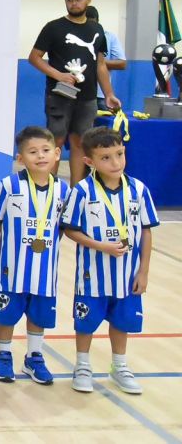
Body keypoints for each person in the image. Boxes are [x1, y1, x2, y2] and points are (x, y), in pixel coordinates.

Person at [62, 127, 158, 395]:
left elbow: (146, 231)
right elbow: (70, 229)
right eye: (106, 158)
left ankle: (119, 366)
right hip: (92, 276)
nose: (115, 163)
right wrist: (99, 245)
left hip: (128, 276)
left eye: (119, 154)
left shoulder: (138, 190)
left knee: (123, 321)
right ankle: (82, 365)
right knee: (86, 322)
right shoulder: (81, 191)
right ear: (89, 162)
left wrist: (144, 272)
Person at [0, 126, 70, 386]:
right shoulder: (8, 185)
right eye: (32, 152)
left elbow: (62, 227)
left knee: (39, 313)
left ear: (57, 153)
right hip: (12, 268)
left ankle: (34, 356)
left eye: (46, 150)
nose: (40, 156)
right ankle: (3, 354)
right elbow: (0, 221)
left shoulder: (64, 190)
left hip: (46, 269)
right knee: (7, 314)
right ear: (20, 158)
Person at [28, 0, 121, 185]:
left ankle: (75, 191)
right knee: (55, 142)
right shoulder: (53, 27)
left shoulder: (97, 29)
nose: (74, 2)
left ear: (88, 1)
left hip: (87, 98)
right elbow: (34, 57)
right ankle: (49, 189)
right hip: (59, 95)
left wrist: (108, 94)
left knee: (81, 143)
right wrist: (58, 75)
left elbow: (101, 65)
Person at [85, 5, 127, 110]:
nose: (90, 27)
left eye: (93, 23)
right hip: (78, 94)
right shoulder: (74, 37)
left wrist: (99, 62)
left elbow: (122, 63)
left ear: (98, 22)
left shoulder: (108, 37)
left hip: (101, 94)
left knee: (103, 126)